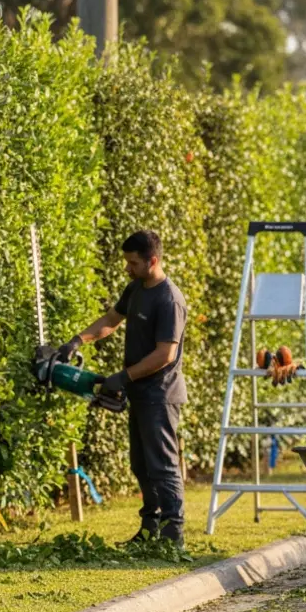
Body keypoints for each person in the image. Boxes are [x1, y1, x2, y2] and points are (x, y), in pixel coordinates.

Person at [58, 230, 188, 546]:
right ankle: (149, 529)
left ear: (152, 261)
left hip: (161, 394)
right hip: (140, 393)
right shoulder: (136, 288)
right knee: (140, 464)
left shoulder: (169, 299)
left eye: (132, 263)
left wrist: (124, 376)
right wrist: (77, 341)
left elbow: (165, 354)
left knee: (162, 464)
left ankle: (173, 535)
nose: (127, 268)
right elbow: (112, 320)